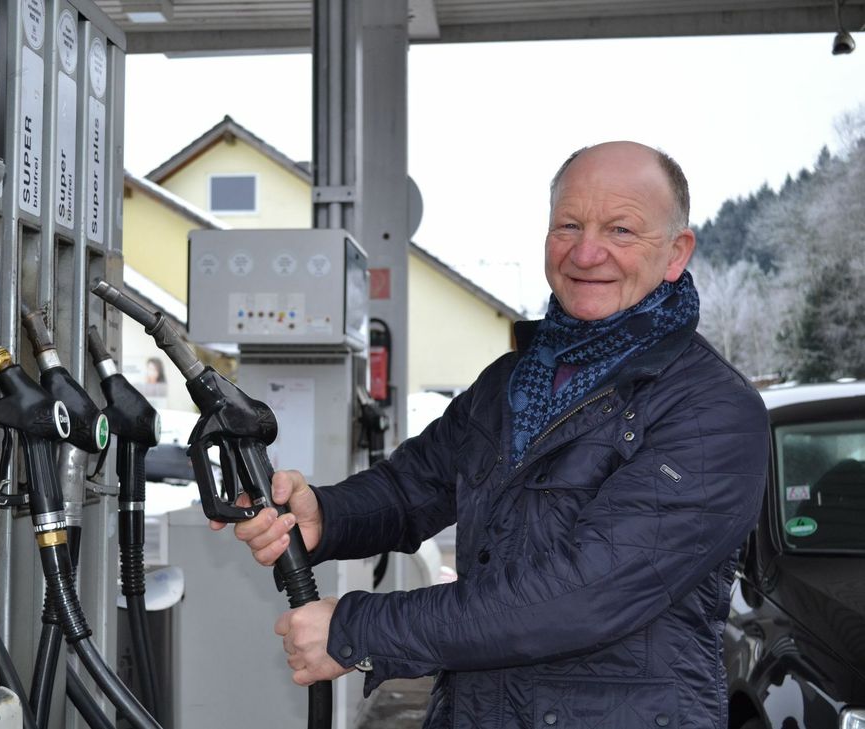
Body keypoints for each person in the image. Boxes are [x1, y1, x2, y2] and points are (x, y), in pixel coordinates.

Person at [212, 141, 769, 728]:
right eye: (568, 225)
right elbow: (413, 487)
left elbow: (582, 597)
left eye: (622, 230)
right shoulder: (515, 381)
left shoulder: (713, 411)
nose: (586, 251)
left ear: (677, 252)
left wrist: (357, 628)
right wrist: (325, 515)